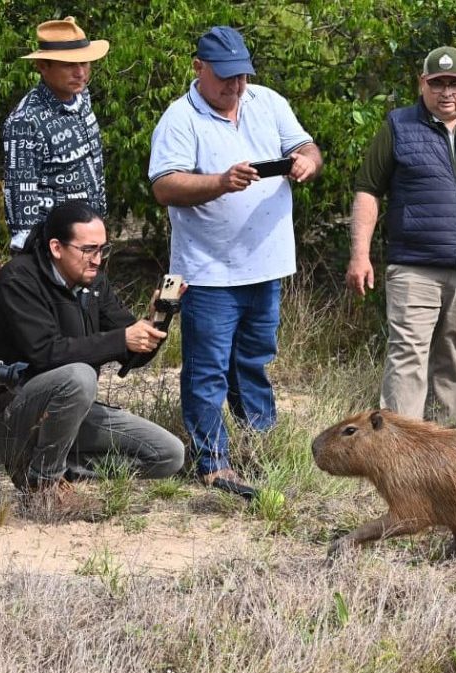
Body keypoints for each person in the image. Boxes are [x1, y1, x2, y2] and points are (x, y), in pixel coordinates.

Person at [148, 26, 323, 495]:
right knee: (207, 370)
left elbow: (306, 146)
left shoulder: (268, 102)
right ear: (198, 68)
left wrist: (306, 160)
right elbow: (164, 185)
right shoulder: (180, 118)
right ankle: (213, 462)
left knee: (254, 361)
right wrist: (220, 182)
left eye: (242, 76)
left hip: (267, 266)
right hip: (207, 271)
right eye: (225, 76)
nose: (236, 86)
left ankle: (259, 445)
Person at [346, 46, 456, 425]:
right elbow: (368, 192)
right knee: (408, 355)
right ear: (422, 84)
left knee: (453, 356)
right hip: (414, 268)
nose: (447, 92)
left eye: (455, 84)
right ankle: (398, 446)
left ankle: (446, 444)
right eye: (438, 83)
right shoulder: (399, 125)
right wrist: (360, 255)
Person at [0, 201, 184, 499]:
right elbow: (47, 353)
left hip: (66, 413)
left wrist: (154, 322)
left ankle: (38, 467)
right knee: (80, 376)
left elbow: (132, 356)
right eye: (89, 250)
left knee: (168, 454)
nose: (98, 260)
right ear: (56, 248)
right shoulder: (18, 280)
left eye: (103, 250)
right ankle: (44, 485)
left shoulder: (94, 283)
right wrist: (122, 338)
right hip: (6, 418)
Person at [3, 16, 109, 251]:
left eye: (85, 63)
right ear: (43, 66)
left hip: (90, 240)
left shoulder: (82, 97)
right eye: (69, 65)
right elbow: (21, 204)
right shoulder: (26, 121)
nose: (80, 73)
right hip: (53, 250)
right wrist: (35, 260)